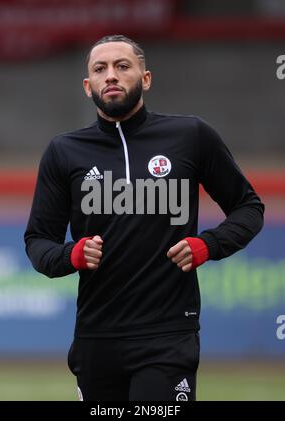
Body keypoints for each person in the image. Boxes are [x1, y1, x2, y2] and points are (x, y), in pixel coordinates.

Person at [24, 35, 264, 401]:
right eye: (100, 69)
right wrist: (71, 255)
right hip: (96, 337)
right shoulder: (64, 151)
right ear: (88, 85)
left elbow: (249, 208)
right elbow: (38, 241)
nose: (111, 76)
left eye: (122, 66)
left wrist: (209, 245)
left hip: (168, 336)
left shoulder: (190, 135)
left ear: (146, 78)